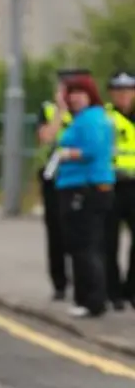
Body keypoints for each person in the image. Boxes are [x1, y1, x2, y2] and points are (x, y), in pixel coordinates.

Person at [51, 73, 115, 318]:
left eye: (79, 93)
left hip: (85, 187)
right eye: (71, 94)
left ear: (90, 95)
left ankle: (93, 301)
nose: (74, 98)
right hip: (77, 185)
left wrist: (66, 154)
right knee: (81, 245)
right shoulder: (82, 118)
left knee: (85, 246)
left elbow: (92, 150)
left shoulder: (92, 119)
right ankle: (86, 298)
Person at [35, 71, 80, 301]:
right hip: (53, 177)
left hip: (79, 178)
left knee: (81, 233)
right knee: (56, 232)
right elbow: (45, 137)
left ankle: (82, 281)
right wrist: (60, 112)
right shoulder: (48, 110)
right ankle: (60, 283)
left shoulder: (87, 111)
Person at [104, 71, 135, 310]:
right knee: (108, 241)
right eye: (119, 91)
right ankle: (112, 292)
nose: (123, 96)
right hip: (111, 184)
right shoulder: (105, 117)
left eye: (128, 90)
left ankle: (131, 289)